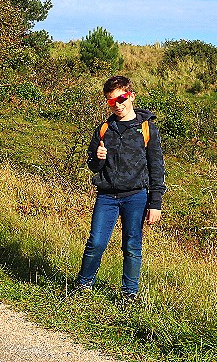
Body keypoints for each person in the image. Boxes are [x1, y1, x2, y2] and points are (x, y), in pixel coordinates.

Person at [75, 75, 166, 300]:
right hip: (106, 196)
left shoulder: (147, 129)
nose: (118, 104)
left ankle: (129, 294)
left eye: (122, 98)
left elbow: (157, 167)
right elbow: (93, 165)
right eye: (111, 101)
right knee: (95, 242)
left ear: (131, 96)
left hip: (136, 196)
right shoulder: (104, 129)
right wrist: (98, 159)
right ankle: (82, 286)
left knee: (132, 246)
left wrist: (155, 203)